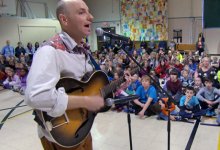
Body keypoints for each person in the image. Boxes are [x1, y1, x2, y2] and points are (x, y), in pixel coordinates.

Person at [24, 0, 104, 150]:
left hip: (82, 127)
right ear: (64, 19)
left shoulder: (82, 50)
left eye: (89, 11)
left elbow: (83, 86)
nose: (91, 17)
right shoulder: (50, 51)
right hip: (61, 137)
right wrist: (86, 101)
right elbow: (34, 96)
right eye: (82, 12)